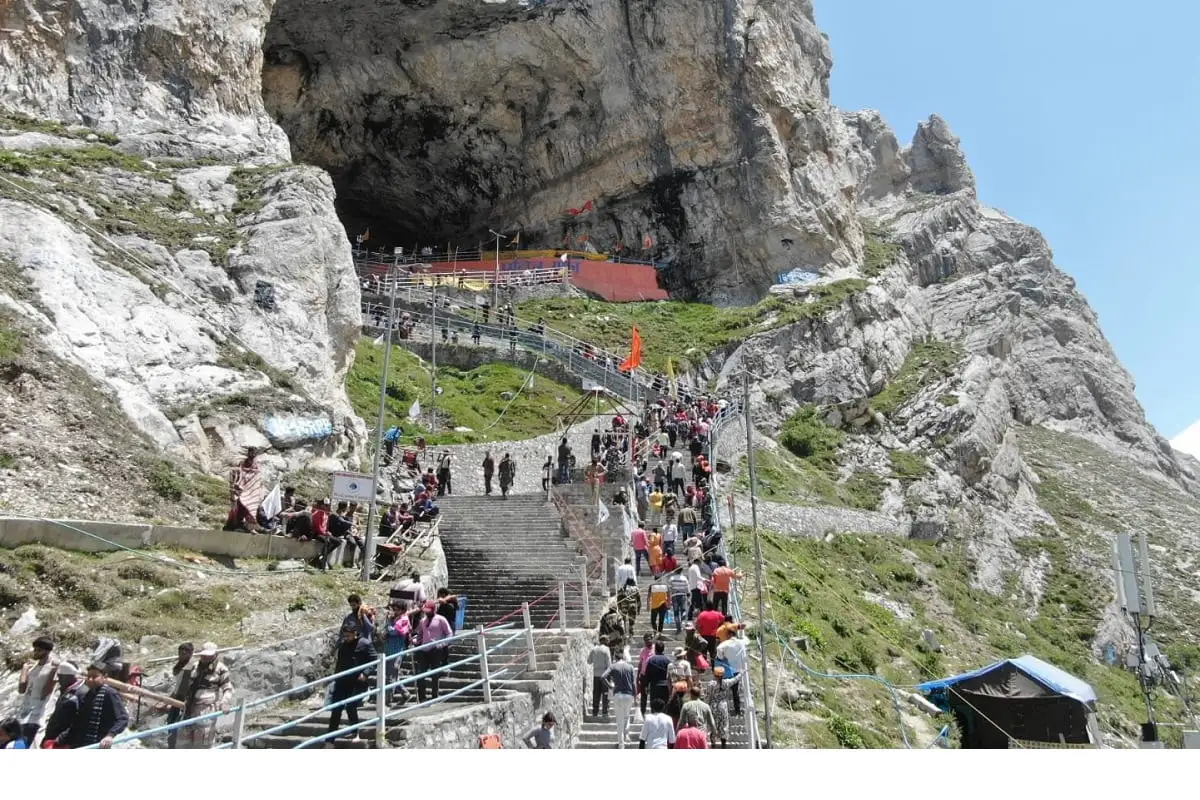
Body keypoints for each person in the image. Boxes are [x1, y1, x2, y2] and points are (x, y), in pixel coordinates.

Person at [55, 664, 128, 749]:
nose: (90, 679)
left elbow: (122, 718)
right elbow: (80, 721)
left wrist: (110, 735)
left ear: (104, 677)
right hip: (78, 743)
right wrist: (62, 738)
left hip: (97, 744)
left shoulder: (110, 694)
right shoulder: (86, 694)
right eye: (88, 676)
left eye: (94, 677)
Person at [177, 642, 234, 749]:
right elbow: (184, 686)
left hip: (206, 710)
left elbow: (228, 688)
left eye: (208, 656)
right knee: (183, 743)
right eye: (203, 655)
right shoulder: (194, 667)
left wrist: (225, 702)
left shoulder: (221, 669)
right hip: (189, 709)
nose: (205, 658)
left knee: (202, 742)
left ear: (215, 655)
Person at [326, 625, 376, 746]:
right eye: (345, 635)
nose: (346, 638)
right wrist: (335, 678)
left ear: (355, 633)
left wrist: (365, 673)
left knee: (351, 706)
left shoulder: (364, 643)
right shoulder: (343, 645)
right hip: (342, 681)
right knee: (336, 709)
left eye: (349, 635)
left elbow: (374, 659)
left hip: (357, 682)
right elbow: (340, 663)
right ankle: (329, 741)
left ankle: (355, 733)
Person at [17, 635, 57, 746]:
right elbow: (21, 689)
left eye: (39, 650)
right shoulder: (33, 667)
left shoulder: (52, 668)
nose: (35, 652)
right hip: (24, 712)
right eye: (35, 649)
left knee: (25, 743)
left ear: (47, 651)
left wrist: (53, 673)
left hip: (37, 714)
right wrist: (24, 670)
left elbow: (45, 693)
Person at [413, 601, 453, 702]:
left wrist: (442, 644)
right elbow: (420, 635)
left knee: (435, 674)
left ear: (433, 609)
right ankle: (422, 697)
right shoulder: (422, 621)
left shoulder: (441, 619)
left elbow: (449, 633)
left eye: (428, 611)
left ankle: (435, 696)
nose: (427, 613)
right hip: (423, 649)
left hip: (436, 649)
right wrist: (415, 641)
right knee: (421, 674)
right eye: (425, 611)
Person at [41, 662, 86, 747]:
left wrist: (60, 740)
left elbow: (77, 722)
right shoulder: (66, 690)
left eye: (60, 677)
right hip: (52, 739)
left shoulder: (80, 693)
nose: (58, 679)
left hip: (62, 742)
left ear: (68, 677)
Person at [602, 650, 638, 749]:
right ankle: (626, 736)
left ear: (615, 658)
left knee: (619, 721)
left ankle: (621, 744)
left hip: (618, 695)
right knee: (627, 717)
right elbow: (634, 683)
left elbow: (603, 677)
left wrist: (610, 687)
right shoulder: (630, 667)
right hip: (629, 695)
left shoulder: (613, 666)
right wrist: (636, 697)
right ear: (623, 657)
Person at [705, 667, 742, 748]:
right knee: (724, 726)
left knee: (713, 725)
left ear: (714, 674)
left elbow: (708, 697)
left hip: (714, 707)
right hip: (723, 707)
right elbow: (735, 679)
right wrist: (741, 673)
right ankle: (723, 744)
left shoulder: (711, 684)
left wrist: (707, 706)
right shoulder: (726, 682)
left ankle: (713, 743)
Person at [384, 601, 412, 704]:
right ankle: (405, 693)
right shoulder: (392, 619)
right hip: (389, 648)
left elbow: (395, 631)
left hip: (397, 650)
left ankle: (387, 701)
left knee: (391, 676)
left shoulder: (404, 620)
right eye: (394, 609)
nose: (395, 611)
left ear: (402, 610)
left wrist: (389, 627)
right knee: (392, 675)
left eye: (397, 609)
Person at [587, 636, 612, 719]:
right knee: (605, 694)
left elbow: (589, 661)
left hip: (596, 675)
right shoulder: (606, 649)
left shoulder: (594, 649)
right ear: (604, 640)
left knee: (596, 694)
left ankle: (595, 712)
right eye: (607, 639)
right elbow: (609, 664)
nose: (608, 641)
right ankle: (605, 712)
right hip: (604, 676)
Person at [643, 641, 672, 710]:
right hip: (665, 686)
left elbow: (647, 674)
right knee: (665, 706)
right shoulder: (668, 660)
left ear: (655, 649)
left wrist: (646, 685)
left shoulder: (651, 660)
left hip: (654, 686)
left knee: (654, 706)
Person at [668, 568, 690, 634]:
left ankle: (678, 628)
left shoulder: (671, 578)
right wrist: (688, 598)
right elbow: (687, 589)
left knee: (676, 612)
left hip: (675, 596)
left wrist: (669, 598)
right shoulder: (684, 578)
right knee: (683, 611)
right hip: (683, 596)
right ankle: (683, 622)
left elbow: (669, 588)